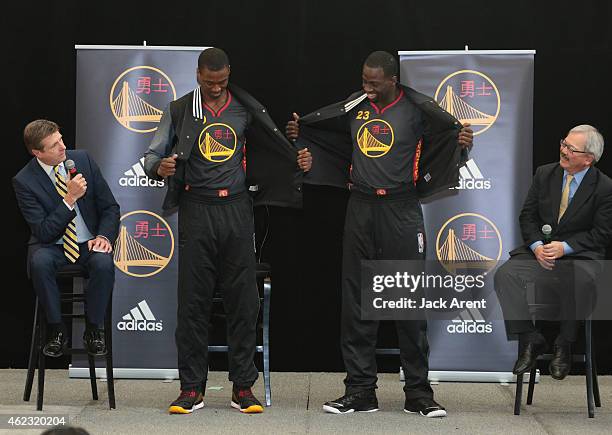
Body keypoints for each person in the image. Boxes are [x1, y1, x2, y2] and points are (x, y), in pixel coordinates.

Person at [286, 51, 473, 417]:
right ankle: (360, 391)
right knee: (357, 302)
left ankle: (418, 392)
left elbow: (445, 140)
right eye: (363, 80)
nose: (366, 87)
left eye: (374, 82)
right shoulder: (355, 108)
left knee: (407, 303)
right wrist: (301, 132)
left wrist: (461, 142)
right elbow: (329, 141)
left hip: (400, 210)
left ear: (393, 80)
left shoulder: (417, 110)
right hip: (360, 208)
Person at [144, 47, 310, 414]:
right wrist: (162, 167)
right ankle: (191, 389)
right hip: (196, 209)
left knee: (243, 303)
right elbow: (150, 157)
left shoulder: (246, 109)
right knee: (193, 304)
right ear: (198, 74)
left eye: (221, 82)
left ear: (229, 74)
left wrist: (297, 159)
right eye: (208, 82)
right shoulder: (179, 109)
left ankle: (242, 388)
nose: (215, 88)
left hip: (236, 209)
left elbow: (273, 151)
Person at [494, 125, 612, 380]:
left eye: (571, 148)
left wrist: (564, 248)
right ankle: (530, 339)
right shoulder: (544, 174)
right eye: (563, 143)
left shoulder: (604, 187)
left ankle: (564, 345)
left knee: (578, 279)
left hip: (580, 256)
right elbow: (528, 217)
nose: (563, 150)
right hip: (541, 252)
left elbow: (602, 233)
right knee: (505, 275)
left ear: (588, 158)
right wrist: (538, 248)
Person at [13, 119, 119, 358]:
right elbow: (43, 231)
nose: (63, 147)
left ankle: (94, 329)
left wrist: (103, 236)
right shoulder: (24, 181)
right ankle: (56, 330)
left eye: (61, 139)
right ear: (37, 152)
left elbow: (110, 208)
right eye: (54, 145)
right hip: (53, 246)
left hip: (88, 243)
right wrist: (69, 199)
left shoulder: (82, 160)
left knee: (103, 262)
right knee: (39, 262)